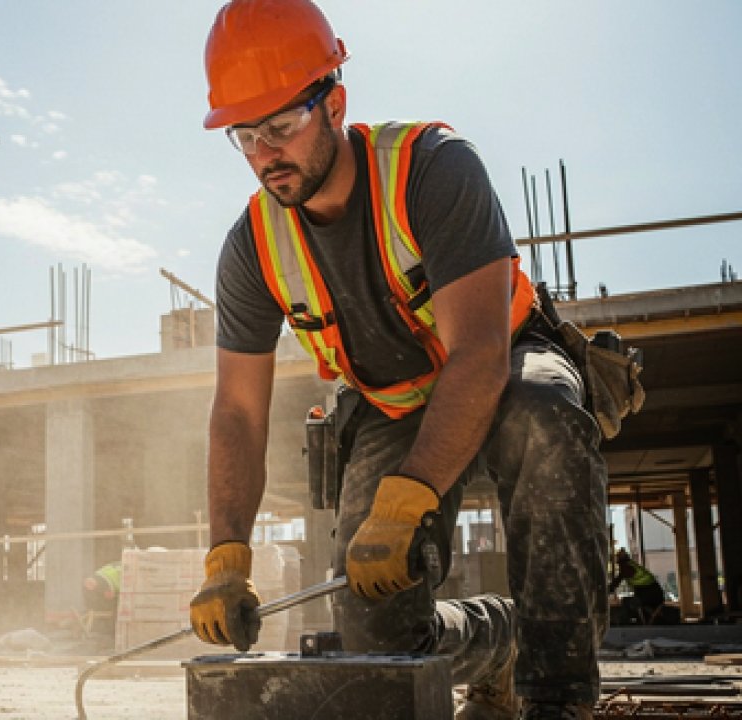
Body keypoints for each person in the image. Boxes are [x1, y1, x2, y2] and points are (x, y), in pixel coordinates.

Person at [186, 2, 610, 719]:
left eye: (282, 126)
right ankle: (500, 637)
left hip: (502, 364)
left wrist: (408, 496)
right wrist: (227, 554)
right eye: (246, 136)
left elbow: (478, 354)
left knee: (545, 417)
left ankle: (559, 697)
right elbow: (235, 411)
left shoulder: (433, 172)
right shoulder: (251, 248)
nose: (265, 154)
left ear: (336, 102)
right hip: (393, 402)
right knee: (377, 631)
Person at [608, 548, 668, 624]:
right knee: (633, 602)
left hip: (652, 596)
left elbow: (617, 581)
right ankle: (639, 622)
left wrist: (608, 590)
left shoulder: (627, 568)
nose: (619, 566)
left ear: (621, 562)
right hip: (653, 595)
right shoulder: (630, 565)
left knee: (627, 602)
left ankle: (625, 625)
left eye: (619, 563)